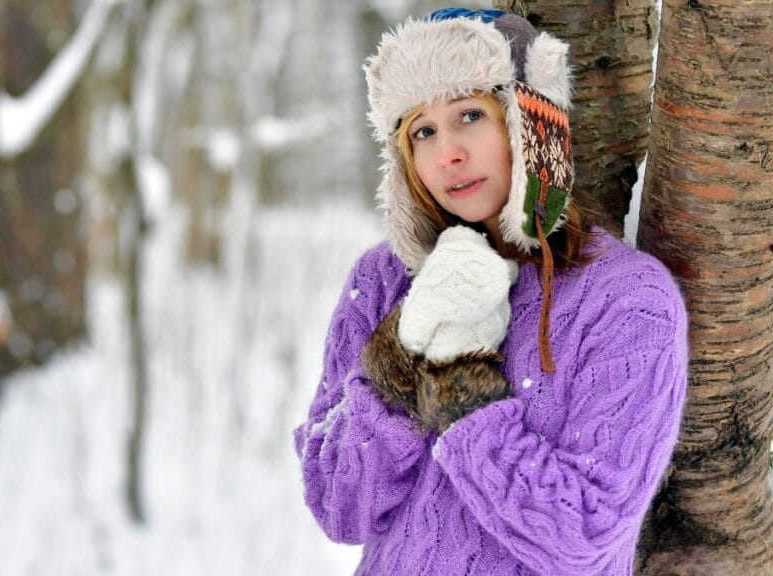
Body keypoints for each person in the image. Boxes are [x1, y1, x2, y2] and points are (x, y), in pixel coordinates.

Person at [292, 8, 689, 575]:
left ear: (531, 126)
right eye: (423, 131)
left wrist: (458, 385)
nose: (447, 153)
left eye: (470, 114)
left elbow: (582, 533)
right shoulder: (383, 280)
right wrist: (403, 358)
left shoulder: (628, 300)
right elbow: (337, 505)